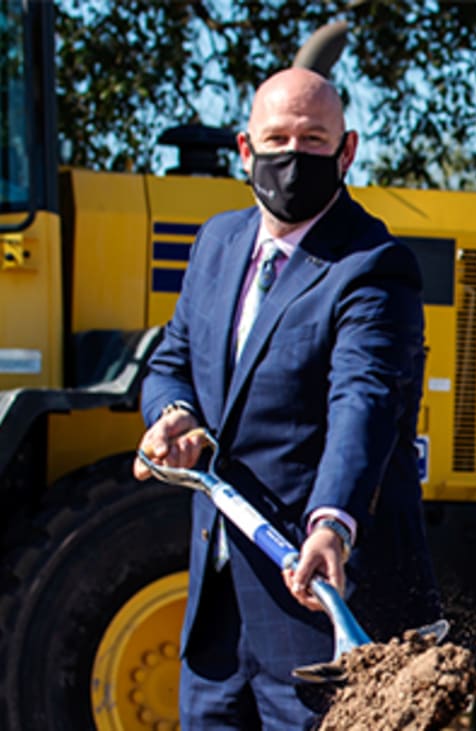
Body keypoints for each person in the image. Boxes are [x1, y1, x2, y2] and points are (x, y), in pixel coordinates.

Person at [133, 67, 440, 728]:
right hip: (215, 621)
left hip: (316, 615)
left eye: (313, 140)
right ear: (246, 150)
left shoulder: (373, 265)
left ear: (346, 150)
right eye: (277, 139)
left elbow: (363, 403)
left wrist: (332, 521)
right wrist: (171, 414)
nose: (292, 158)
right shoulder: (216, 243)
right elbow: (170, 360)